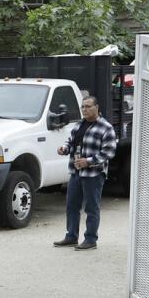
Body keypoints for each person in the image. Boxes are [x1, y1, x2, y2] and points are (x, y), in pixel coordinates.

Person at [54, 95, 117, 251]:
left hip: (93, 174)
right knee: (71, 206)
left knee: (91, 208)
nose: (85, 109)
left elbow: (109, 152)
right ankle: (71, 237)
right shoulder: (78, 125)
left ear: (97, 108)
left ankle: (90, 239)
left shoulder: (106, 127)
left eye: (88, 106)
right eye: (83, 107)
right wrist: (64, 149)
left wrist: (88, 161)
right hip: (75, 172)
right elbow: (71, 142)